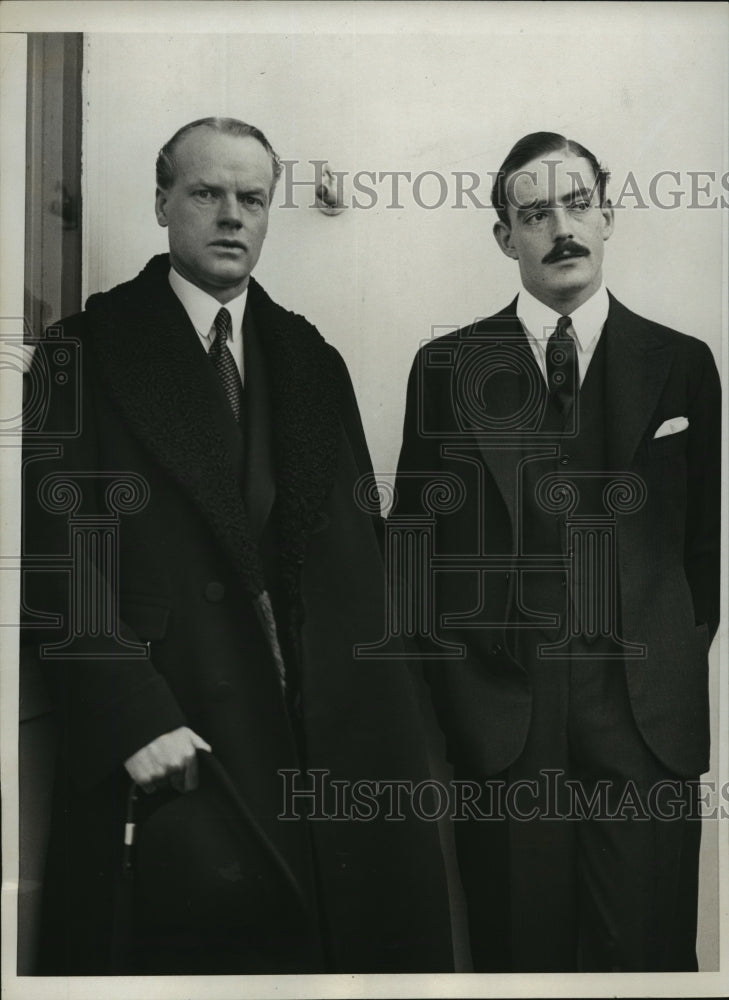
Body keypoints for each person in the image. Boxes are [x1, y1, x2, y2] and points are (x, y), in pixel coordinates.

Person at [22, 117, 453, 975]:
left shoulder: (308, 356)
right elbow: (53, 553)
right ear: (161, 203)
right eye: (206, 193)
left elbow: (354, 554)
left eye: (250, 198)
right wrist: (132, 717)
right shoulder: (83, 350)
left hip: (312, 737)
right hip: (174, 735)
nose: (231, 216)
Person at [393, 132, 721, 972]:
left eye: (576, 205)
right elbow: (414, 558)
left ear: (607, 216)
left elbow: (702, 556)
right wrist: (464, 695)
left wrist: (666, 658)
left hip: (643, 715)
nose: (559, 228)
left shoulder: (683, 366)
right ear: (505, 237)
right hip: (506, 717)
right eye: (534, 213)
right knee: (519, 963)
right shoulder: (445, 367)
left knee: (645, 963)